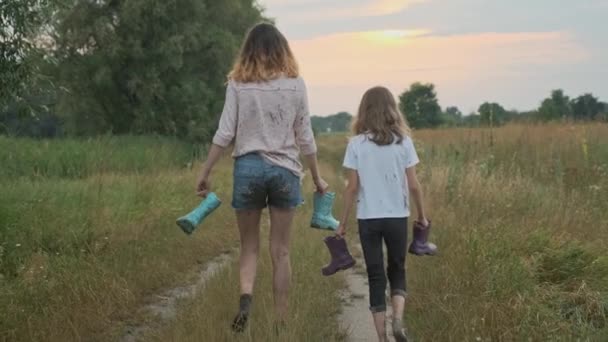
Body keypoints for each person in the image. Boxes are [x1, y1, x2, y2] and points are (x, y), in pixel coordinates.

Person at [195, 23, 328, 332]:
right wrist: (318, 178)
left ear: (248, 50)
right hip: (285, 172)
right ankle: (281, 322)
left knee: (249, 247)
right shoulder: (296, 84)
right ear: (283, 49)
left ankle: (245, 301)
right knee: (281, 251)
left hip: (249, 170)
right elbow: (305, 136)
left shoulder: (238, 83)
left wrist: (205, 171)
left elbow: (225, 132)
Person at [336, 86, 431, 342]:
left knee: (376, 275)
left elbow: (352, 188)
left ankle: (382, 338)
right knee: (398, 269)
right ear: (392, 109)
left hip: (368, 218)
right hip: (397, 216)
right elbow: (413, 184)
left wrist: (342, 223)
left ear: (364, 111)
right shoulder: (404, 143)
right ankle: (398, 320)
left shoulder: (356, 144)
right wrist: (421, 216)